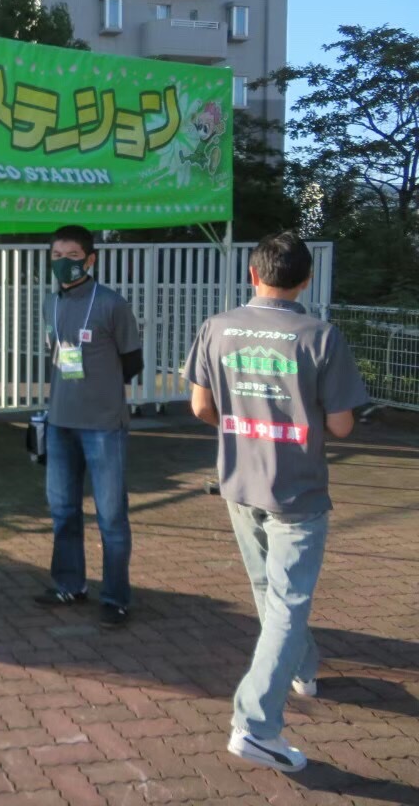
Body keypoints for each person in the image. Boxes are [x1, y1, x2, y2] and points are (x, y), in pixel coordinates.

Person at [185, 232, 369, 772]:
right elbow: (342, 425)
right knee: (288, 602)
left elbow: (200, 406)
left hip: (240, 482)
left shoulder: (218, 327)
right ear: (306, 280)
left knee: (270, 590)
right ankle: (256, 724)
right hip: (298, 490)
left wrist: (247, 428)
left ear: (252, 274)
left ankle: (302, 669)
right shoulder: (321, 337)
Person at [35, 225, 143, 627]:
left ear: (91, 259)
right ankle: (69, 584)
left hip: (103, 426)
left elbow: (132, 362)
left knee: (111, 516)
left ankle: (115, 597)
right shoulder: (51, 303)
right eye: (56, 256)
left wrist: (101, 391)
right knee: (63, 510)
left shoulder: (112, 304)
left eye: (73, 256)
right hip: (60, 423)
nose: (63, 263)